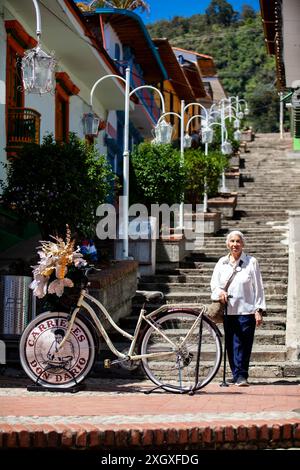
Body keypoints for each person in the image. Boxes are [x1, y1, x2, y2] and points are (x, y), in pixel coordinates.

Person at [210, 230, 266, 386]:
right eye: (232, 241)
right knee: (230, 343)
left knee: (244, 343)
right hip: (229, 310)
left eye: (238, 241)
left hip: (247, 310)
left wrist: (259, 310)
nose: (235, 244)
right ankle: (236, 374)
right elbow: (214, 284)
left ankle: (242, 375)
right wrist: (220, 292)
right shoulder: (221, 262)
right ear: (228, 244)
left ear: (243, 244)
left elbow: (258, 287)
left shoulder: (251, 262)